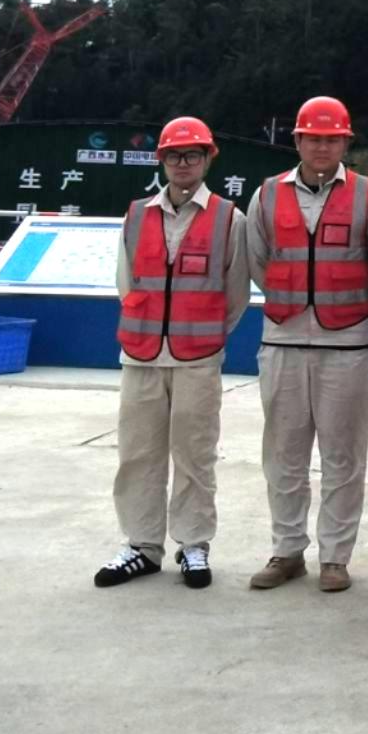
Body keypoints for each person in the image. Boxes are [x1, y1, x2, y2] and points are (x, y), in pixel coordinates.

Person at [92, 116, 250, 592]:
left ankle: (194, 544)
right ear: (162, 160)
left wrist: (202, 336)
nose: (184, 163)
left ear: (207, 160)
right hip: (141, 356)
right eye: (175, 155)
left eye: (193, 155)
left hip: (197, 359)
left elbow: (236, 293)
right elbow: (126, 284)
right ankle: (141, 546)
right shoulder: (137, 215)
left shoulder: (229, 219)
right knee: (137, 454)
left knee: (195, 455)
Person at [244, 95, 368, 595]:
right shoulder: (266, 195)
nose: (322, 147)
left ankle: (335, 557)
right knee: (284, 453)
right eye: (313, 138)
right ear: (298, 141)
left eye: (332, 139)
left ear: (346, 143)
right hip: (283, 338)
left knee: (343, 456)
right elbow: (257, 260)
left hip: (345, 342)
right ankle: (286, 551)